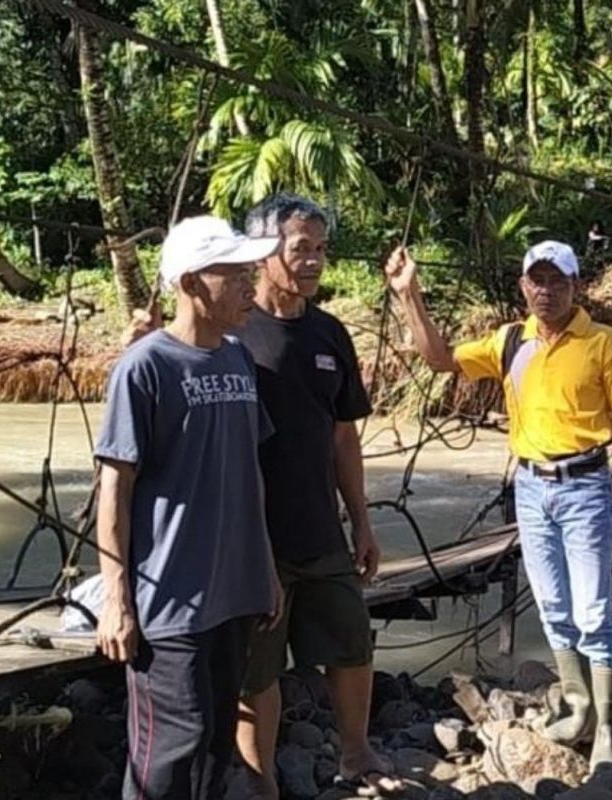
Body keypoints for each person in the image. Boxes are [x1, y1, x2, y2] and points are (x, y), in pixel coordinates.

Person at [384, 240, 612, 772]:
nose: (545, 291)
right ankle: (576, 708)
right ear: (523, 285)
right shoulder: (509, 341)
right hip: (530, 486)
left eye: (556, 281)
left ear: (576, 285)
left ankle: (609, 734)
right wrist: (409, 294)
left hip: (585, 486)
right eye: (536, 280)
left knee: (594, 609)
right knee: (552, 604)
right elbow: (438, 360)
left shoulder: (603, 343)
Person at [93, 215, 282, 800]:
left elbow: (248, 473)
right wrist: (116, 601)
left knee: (214, 744)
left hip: (234, 593)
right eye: (237, 273)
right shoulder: (144, 368)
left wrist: (267, 569)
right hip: (168, 601)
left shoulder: (237, 360)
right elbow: (114, 488)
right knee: (166, 756)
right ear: (194, 283)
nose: (253, 285)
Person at [233, 194, 399, 797]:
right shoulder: (232, 333)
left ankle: (356, 755)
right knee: (258, 668)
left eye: (321, 249)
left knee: (352, 643)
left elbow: (343, 436)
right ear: (262, 253)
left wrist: (363, 521)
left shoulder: (329, 333)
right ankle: (261, 782)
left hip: (319, 529)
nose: (313, 262)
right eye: (300, 248)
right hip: (254, 535)